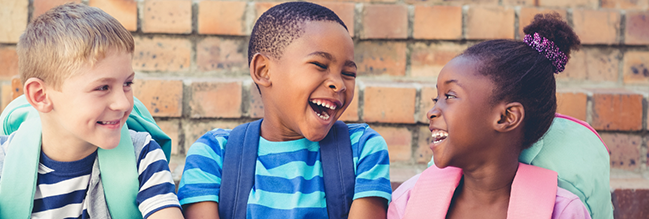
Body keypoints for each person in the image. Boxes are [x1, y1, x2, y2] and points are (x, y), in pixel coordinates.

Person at [0, 3, 183, 218]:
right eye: (102, 87)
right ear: (41, 96)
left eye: (127, 84)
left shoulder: (142, 154)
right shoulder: (0, 164)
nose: (122, 103)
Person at [177, 2, 391, 219]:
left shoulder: (363, 149)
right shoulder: (214, 154)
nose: (339, 84)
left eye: (348, 73)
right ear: (263, 71)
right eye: (320, 65)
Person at [388, 13, 591, 219]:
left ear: (506, 117)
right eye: (436, 98)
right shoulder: (408, 201)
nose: (432, 112)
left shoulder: (563, 211)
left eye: (449, 96)